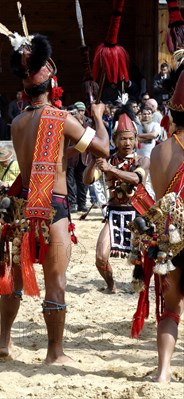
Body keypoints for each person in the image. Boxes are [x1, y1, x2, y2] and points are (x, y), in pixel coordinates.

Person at [0, 34, 109, 364]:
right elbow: (102, 147)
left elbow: (52, 155)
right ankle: (55, 352)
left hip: (21, 205)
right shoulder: (60, 119)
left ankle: (4, 343)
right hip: (52, 206)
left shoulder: (17, 122)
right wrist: (98, 117)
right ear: (52, 84)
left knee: (12, 280)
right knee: (56, 281)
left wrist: (70, 148)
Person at [138, 70, 184, 382]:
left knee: (171, 308)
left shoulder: (157, 152)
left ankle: (163, 371)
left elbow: (159, 194)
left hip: (171, 239)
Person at [83, 107, 150, 293]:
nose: (127, 142)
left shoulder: (143, 160)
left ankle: (143, 285)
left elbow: (136, 178)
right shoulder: (106, 160)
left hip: (137, 215)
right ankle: (111, 285)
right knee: (100, 257)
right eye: (123, 138)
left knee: (147, 257)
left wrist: (110, 169)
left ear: (136, 140)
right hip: (113, 215)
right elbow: (87, 180)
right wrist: (94, 158)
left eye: (130, 138)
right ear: (114, 140)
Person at [67, 101, 93, 213]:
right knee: (69, 182)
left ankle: (82, 204)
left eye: (82, 111)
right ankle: (72, 204)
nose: (81, 113)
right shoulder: (68, 123)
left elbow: (91, 140)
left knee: (83, 182)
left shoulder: (88, 124)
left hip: (83, 157)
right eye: (78, 111)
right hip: (71, 157)